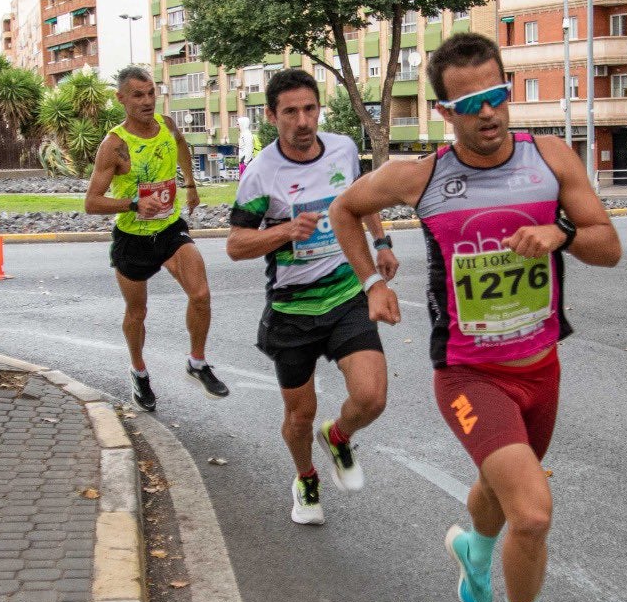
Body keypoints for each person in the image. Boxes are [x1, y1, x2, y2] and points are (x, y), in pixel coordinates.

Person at [331, 33, 620, 602]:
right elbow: (346, 207)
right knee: (534, 510)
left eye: (497, 96)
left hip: (541, 368)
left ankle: (473, 547)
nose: (489, 114)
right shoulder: (421, 177)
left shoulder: (549, 159)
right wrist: (372, 278)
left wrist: (562, 235)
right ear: (444, 110)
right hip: (467, 373)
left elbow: (609, 245)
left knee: (499, 492)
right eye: (471, 104)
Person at [227, 69, 398, 525]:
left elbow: (362, 201)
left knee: (372, 397)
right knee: (300, 417)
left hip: (346, 294)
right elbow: (235, 244)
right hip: (293, 310)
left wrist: (380, 243)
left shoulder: (341, 148)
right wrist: (284, 230)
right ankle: (305, 477)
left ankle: (339, 436)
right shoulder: (261, 173)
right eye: (290, 112)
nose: (302, 121)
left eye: (310, 109)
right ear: (271, 115)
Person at [85, 66, 229, 411]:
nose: (148, 101)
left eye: (151, 93)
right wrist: (134, 203)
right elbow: (92, 203)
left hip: (169, 229)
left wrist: (190, 184)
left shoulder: (167, 124)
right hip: (132, 238)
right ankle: (139, 371)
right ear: (121, 99)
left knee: (201, 294)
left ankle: (197, 362)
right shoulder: (115, 146)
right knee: (137, 312)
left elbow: (180, 147)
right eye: (138, 95)